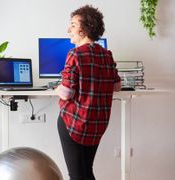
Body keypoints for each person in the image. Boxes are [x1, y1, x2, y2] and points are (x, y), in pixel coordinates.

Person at [55, 4, 121, 180]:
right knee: (86, 170)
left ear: (84, 30)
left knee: (77, 174)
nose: (69, 29)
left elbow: (66, 93)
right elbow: (117, 86)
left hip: (74, 123)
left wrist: (57, 88)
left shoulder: (75, 54)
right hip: (97, 125)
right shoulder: (107, 54)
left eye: (73, 25)